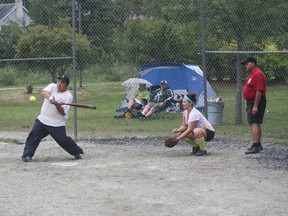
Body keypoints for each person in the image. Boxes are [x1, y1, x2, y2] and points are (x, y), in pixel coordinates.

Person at [21, 75, 84, 162]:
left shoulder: (68, 96)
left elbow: (62, 112)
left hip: (56, 123)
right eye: (59, 81)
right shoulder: (52, 86)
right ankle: (27, 155)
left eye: (62, 82)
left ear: (66, 85)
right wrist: (52, 99)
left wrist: (57, 105)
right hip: (42, 120)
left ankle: (76, 152)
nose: (59, 84)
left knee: (63, 141)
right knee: (33, 137)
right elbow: (44, 93)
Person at [241, 57, 266, 154]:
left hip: (256, 101)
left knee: (254, 123)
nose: (245, 66)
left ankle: (255, 145)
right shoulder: (253, 74)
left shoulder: (258, 74)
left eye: (246, 64)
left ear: (253, 64)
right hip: (252, 101)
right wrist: (249, 104)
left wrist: (255, 106)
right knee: (255, 123)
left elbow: (259, 91)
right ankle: (258, 144)